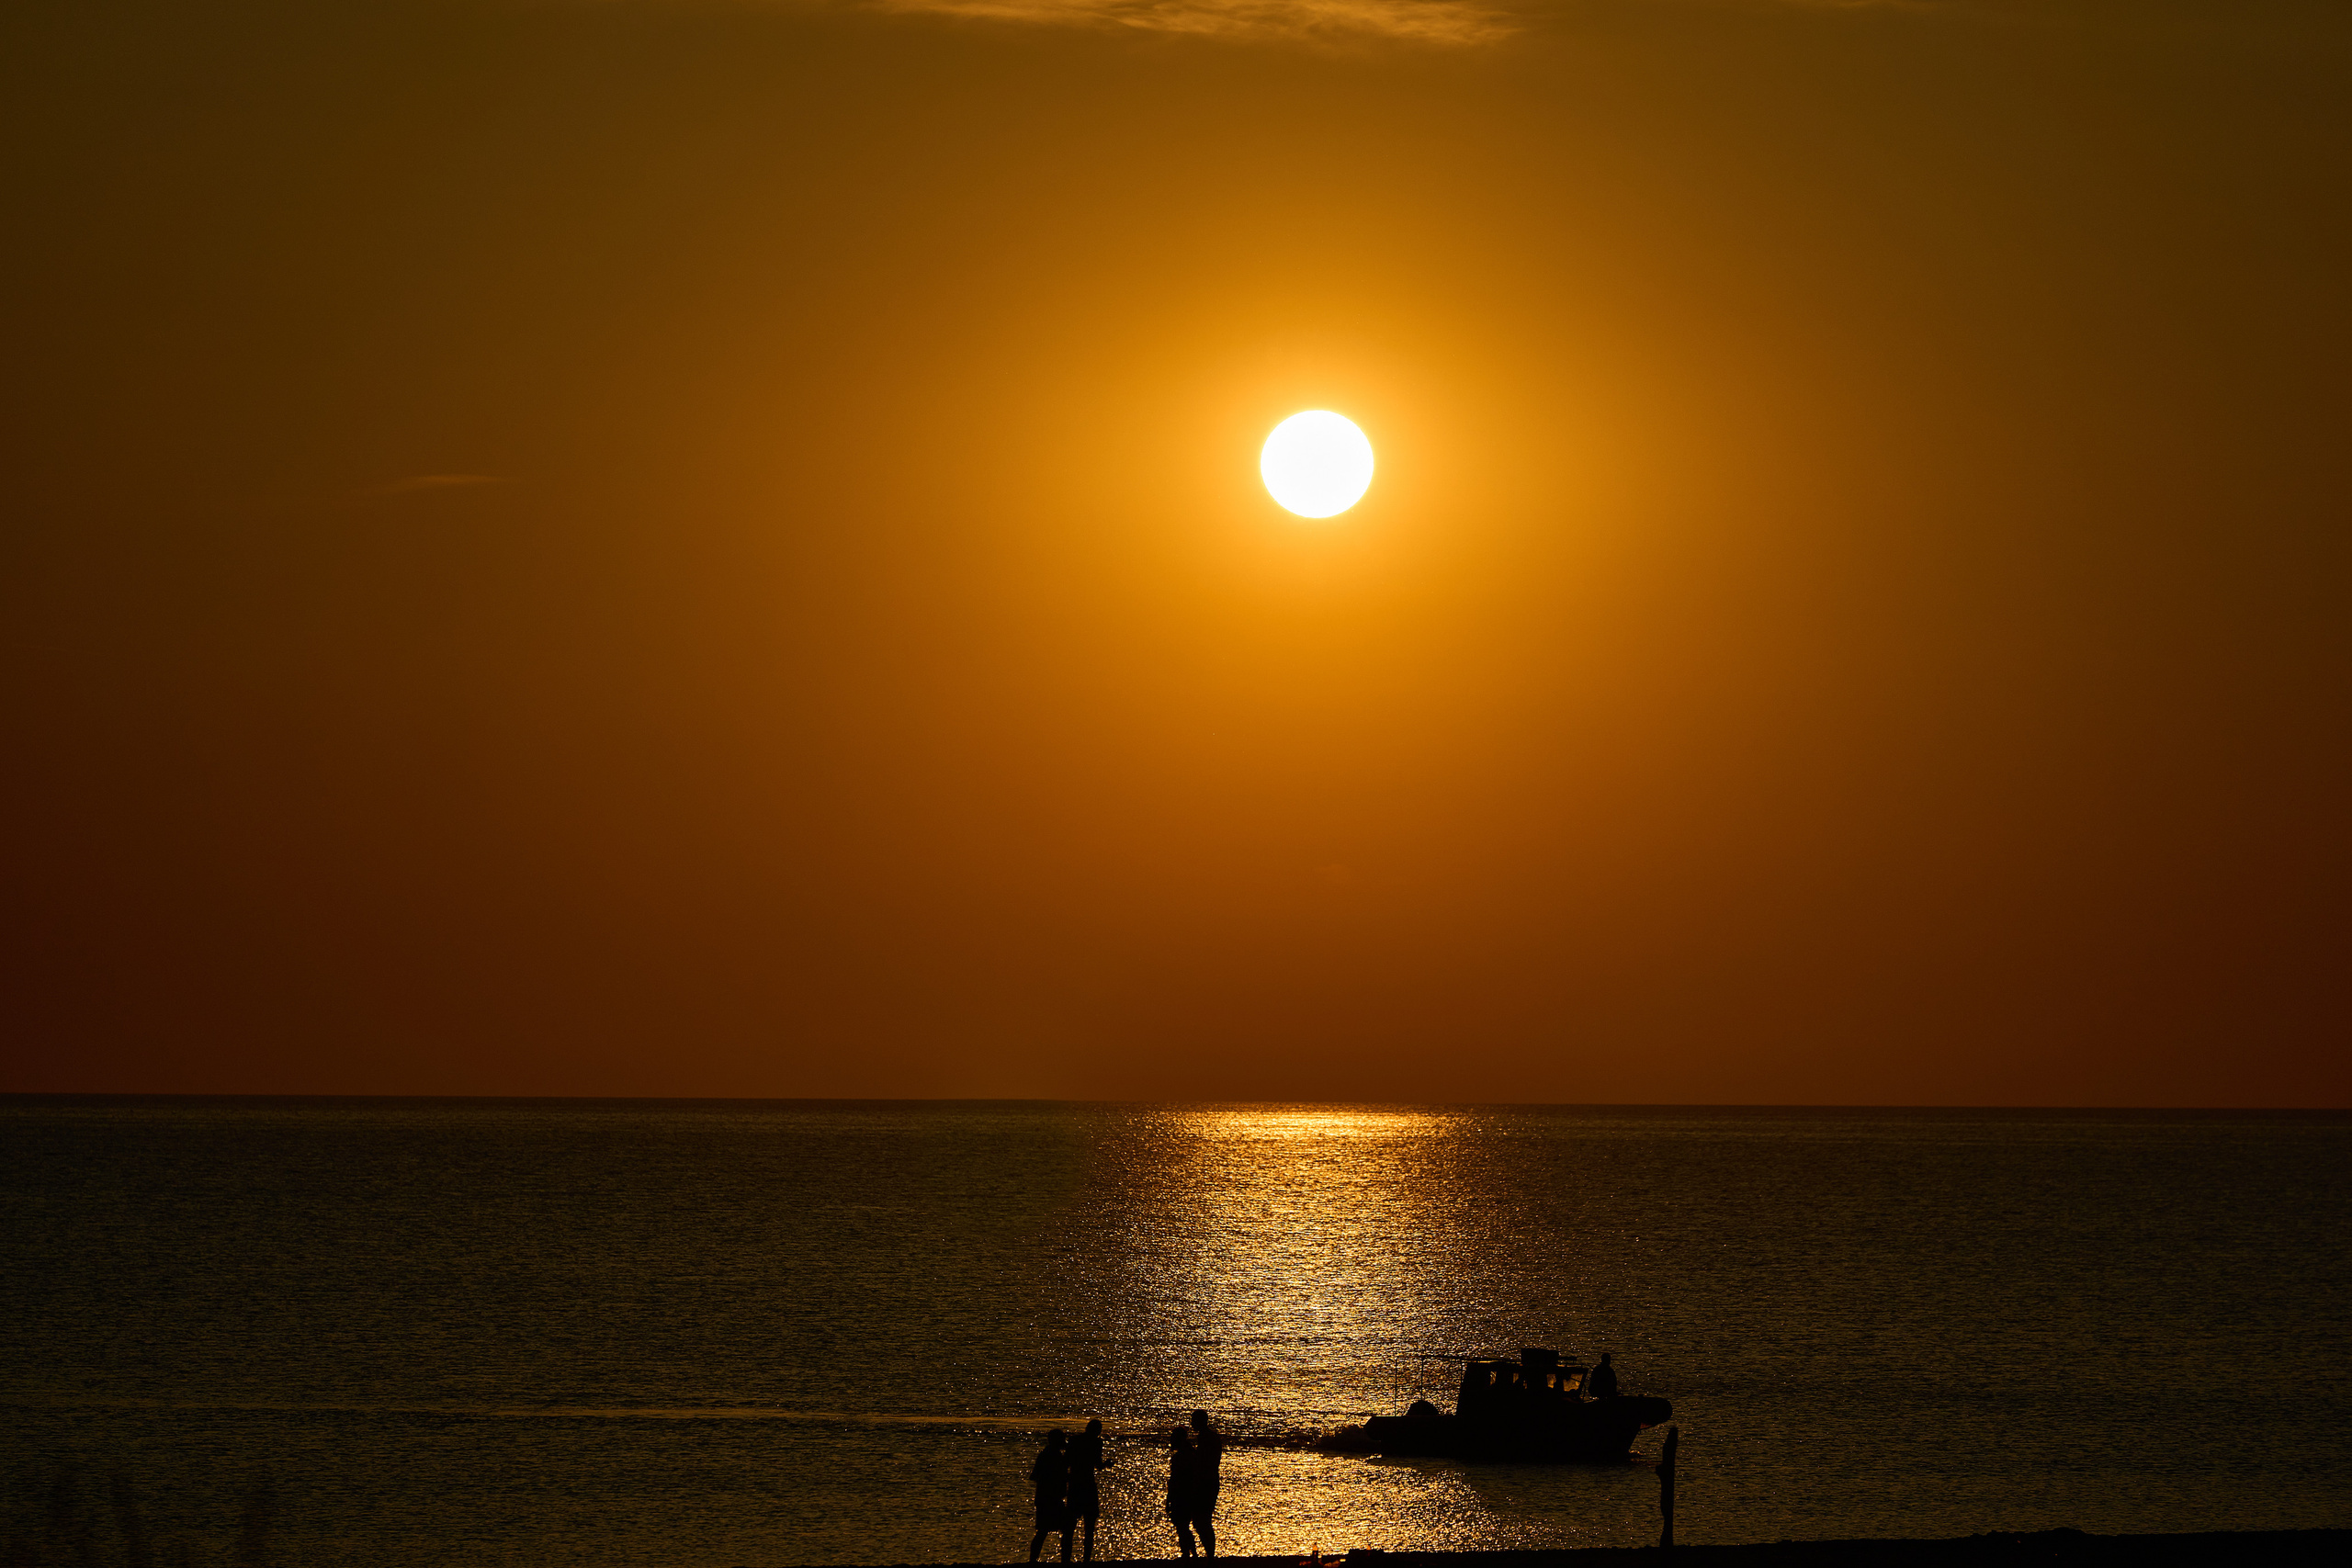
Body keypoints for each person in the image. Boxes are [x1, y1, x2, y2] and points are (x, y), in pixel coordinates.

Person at [1068, 1418, 1113, 1562]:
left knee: (1070, 1526)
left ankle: (1065, 1560)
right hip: (1088, 1484)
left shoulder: (1074, 1440)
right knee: (1089, 1526)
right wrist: (1107, 1464)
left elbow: (1066, 1461)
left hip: (1074, 1484)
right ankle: (1086, 1559)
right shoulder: (1096, 1442)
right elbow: (1098, 1465)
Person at [1028, 1429, 1073, 1564]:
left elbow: (1035, 1475)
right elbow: (1055, 1475)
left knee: (1043, 1531)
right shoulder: (1052, 1456)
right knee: (1064, 1528)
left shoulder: (1048, 1454)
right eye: (1062, 1439)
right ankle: (1064, 1561)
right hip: (1050, 1499)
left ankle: (1033, 1560)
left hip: (1046, 1498)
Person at [1187, 1410, 1224, 1558]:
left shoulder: (1205, 1438)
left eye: (1193, 1420)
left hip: (1206, 1483)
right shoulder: (1211, 1437)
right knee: (1203, 1520)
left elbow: (1203, 1462)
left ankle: (1210, 1555)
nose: (1191, 1423)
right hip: (1211, 1480)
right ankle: (1210, 1555)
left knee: (1201, 1521)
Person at [1165, 1426, 1200, 1558]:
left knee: (1182, 1527)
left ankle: (1189, 1554)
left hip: (1182, 1495)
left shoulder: (1181, 1457)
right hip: (1187, 1494)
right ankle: (1190, 1554)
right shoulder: (1191, 1453)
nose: (1171, 1441)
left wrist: (1169, 1498)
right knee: (1183, 1526)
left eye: (1173, 1438)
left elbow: (1175, 1479)